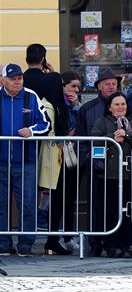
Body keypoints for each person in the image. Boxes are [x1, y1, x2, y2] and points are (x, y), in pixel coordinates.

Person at [0, 64, 50, 257]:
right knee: (1, 203)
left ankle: (25, 243)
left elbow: (46, 123)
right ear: (3, 80)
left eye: (20, 78)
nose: (18, 81)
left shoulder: (31, 96)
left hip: (26, 161)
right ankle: (3, 243)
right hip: (1, 161)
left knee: (28, 203)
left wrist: (32, 131)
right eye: (13, 78)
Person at [75, 67, 120, 257]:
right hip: (94, 167)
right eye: (107, 84)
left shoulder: (122, 106)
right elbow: (81, 139)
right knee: (95, 207)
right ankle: (95, 243)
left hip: (117, 166)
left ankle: (113, 243)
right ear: (99, 86)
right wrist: (87, 160)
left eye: (114, 84)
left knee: (115, 206)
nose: (111, 87)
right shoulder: (88, 108)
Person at [91, 92, 132, 258]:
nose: (121, 107)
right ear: (109, 107)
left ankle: (125, 245)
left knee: (127, 211)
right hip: (108, 174)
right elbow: (94, 140)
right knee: (109, 211)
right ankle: (111, 245)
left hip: (129, 175)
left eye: (123, 104)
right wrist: (112, 137)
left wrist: (127, 135)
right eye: (117, 104)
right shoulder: (102, 122)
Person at [38, 73, 74, 255]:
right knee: (56, 200)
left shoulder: (56, 103)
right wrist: (64, 137)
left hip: (58, 158)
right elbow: (49, 133)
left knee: (60, 200)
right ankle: (52, 240)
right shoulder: (48, 104)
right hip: (54, 158)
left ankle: (53, 240)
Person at [58, 71, 83, 252]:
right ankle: (53, 236)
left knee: (71, 197)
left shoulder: (77, 106)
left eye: (78, 87)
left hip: (74, 155)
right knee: (58, 197)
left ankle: (68, 235)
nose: (75, 90)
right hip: (59, 155)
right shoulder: (58, 103)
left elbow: (82, 123)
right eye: (72, 86)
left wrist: (77, 106)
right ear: (63, 85)